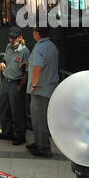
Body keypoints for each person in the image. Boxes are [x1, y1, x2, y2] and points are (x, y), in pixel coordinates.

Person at [26, 27, 59, 158]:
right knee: (40, 119)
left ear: (37, 33)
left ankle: (44, 148)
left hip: (40, 90)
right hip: (49, 88)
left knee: (40, 120)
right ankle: (38, 143)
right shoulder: (52, 46)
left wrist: (33, 85)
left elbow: (38, 68)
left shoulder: (40, 48)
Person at [0, 28, 30, 145]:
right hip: (6, 82)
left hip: (16, 83)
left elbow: (27, 72)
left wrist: (20, 86)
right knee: (2, 106)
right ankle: (7, 132)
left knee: (17, 111)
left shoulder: (25, 52)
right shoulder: (8, 47)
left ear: (20, 38)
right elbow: (5, 60)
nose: (11, 40)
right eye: (10, 37)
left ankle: (20, 136)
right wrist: (2, 64)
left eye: (14, 37)